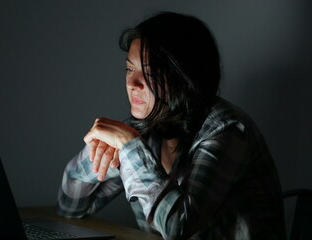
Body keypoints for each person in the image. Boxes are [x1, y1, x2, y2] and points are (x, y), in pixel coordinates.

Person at [57, 12, 286, 239]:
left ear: (185, 77)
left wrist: (130, 148)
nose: (132, 83)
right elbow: (70, 208)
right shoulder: (139, 130)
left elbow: (178, 227)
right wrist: (99, 149)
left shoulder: (228, 129)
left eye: (149, 72)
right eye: (129, 69)